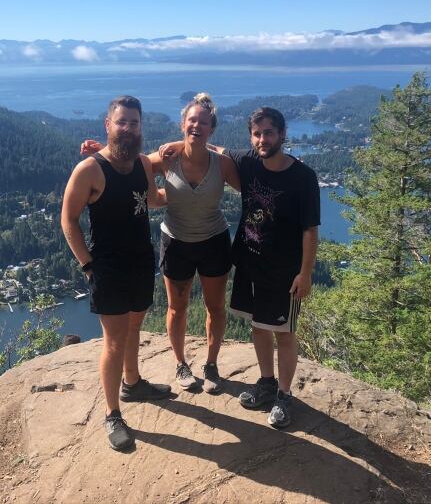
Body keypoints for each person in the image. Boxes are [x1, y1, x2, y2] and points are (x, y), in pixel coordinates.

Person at [161, 106, 319, 428]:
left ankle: (285, 397)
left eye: (269, 132)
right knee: (259, 327)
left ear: (283, 134)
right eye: (257, 133)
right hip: (250, 263)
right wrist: (179, 146)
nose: (263, 139)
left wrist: (306, 272)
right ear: (251, 137)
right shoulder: (247, 162)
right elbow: (213, 150)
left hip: (285, 271)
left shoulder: (303, 177)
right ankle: (266, 384)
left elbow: (310, 230)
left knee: (285, 334)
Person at [82, 93, 240, 394]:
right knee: (176, 308)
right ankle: (181, 364)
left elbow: (251, 182)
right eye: (191, 120)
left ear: (211, 128)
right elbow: (123, 161)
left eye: (203, 122)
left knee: (216, 308)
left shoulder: (222, 164)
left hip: (214, 241)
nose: (196, 125)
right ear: (183, 124)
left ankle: (211, 365)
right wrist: (98, 150)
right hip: (176, 241)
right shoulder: (166, 158)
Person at [61, 95, 171, 452]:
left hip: (141, 261)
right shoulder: (90, 169)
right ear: (107, 125)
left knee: (135, 327)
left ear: (141, 127)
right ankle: (112, 414)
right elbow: (68, 220)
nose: (128, 128)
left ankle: (133, 382)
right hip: (107, 267)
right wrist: (88, 265)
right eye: (121, 122)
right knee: (113, 340)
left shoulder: (141, 163)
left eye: (134, 123)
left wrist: (184, 194)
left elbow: (152, 198)